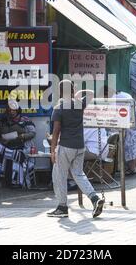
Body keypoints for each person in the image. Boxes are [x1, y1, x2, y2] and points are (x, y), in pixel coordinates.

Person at [48, 80, 105, 218]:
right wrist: (79, 92)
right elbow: (91, 93)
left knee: (59, 175)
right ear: (73, 90)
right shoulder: (79, 104)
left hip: (66, 146)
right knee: (78, 174)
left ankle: (62, 207)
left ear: (60, 92)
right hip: (80, 146)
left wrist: (52, 151)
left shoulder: (59, 108)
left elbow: (56, 132)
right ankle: (94, 199)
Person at [0, 99, 36, 187]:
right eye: (10, 110)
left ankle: (15, 180)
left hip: (20, 146)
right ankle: (14, 155)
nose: (12, 112)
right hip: (7, 147)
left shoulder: (25, 120)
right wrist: (1, 139)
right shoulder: (3, 122)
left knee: (17, 157)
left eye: (13, 110)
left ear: (17, 110)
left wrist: (23, 136)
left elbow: (33, 133)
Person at [112, 91, 136, 175]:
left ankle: (132, 169)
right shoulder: (124, 94)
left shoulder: (114, 98)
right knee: (133, 146)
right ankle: (133, 168)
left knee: (130, 146)